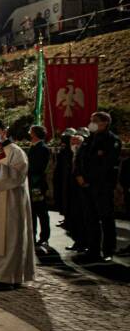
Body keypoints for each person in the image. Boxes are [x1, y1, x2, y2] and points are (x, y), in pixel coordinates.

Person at [0, 118, 35, 287]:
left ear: (4, 132)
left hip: (10, 201)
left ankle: (8, 277)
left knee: (10, 238)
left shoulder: (15, 151)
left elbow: (19, 175)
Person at [72, 112, 122, 261]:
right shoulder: (89, 139)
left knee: (106, 218)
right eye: (91, 120)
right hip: (86, 185)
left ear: (105, 122)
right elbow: (79, 158)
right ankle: (93, 248)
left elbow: (106, 164)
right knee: (90, 218)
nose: (91, 123)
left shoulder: (112, 140)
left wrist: (88, 179)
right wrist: (78, 175)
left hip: (102, 185)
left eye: (95, 121)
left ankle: (108, 250)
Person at [26, 125, 51, 248]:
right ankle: (32, 235)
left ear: (35, 134)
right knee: (32, 211)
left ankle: (44, 237)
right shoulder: (34, 147)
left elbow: (38, 168)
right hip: (31, 184)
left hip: (37, 185)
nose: (29, 134)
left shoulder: (43, 148)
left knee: (41, 211)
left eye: (31, 132)